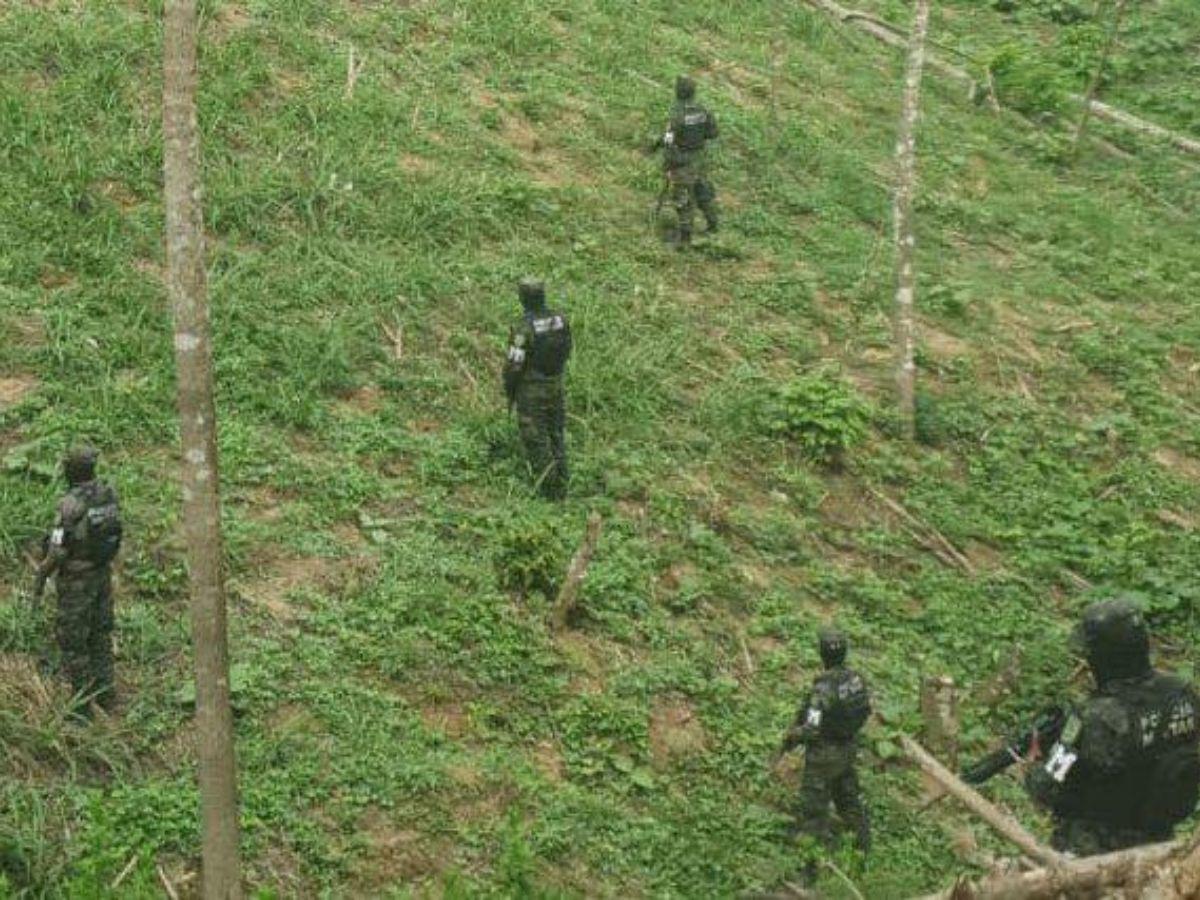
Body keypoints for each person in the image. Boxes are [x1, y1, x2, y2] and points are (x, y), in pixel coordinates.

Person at [1025, 598, 1199, 855]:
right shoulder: (1181, 694)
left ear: (1103, 657)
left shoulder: (1094, 717)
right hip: (1161, 843)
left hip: (1096, 850)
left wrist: (1035, 757)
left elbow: (1044, 788)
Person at [32, 447, 123, 714]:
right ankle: (106, 695)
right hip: (102, 574)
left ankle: (81, 707)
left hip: (77, 581)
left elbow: (58, 550)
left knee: (73, 641)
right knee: (100, 635)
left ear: (70, 471)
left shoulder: (69, 505)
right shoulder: (107, 494)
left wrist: (42, 573)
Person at [780, 629, 872, 875]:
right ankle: (862, 858)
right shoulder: (856, 680)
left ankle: (807, 872)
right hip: (847, 750)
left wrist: (791, 737)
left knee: (812, 813)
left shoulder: (822, 690)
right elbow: (865, 710)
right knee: (850, 804)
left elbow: (811, 728)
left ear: (822, 654)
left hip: (823, 758)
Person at [503, 278, 572, 500]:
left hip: (532, 390)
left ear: (523, 298)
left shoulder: (523, 328)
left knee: (536, 438)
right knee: (555, 433)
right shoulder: (560, 320)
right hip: (556, 384)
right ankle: (563, 479)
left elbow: (514, 365)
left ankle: (550, 491)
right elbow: (567, 350)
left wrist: (510, 390)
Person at [654, 75, 719, 247]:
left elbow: (668, 140)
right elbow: (713, 133)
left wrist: (656, 147)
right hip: (700, 158)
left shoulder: (677, 115)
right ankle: (713, 225)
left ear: (678, 92)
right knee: (703, 192)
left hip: (683, 162)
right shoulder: (704, 110)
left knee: (683, 199)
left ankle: (684, 239)